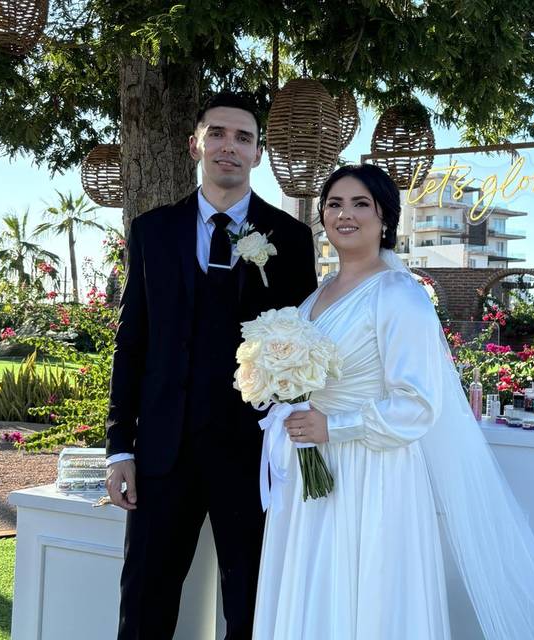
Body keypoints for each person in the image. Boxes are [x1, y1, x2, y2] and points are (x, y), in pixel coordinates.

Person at [253, 164, 534, 639]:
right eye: (335, 204)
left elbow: (418, 405)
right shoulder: (319, 292)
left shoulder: (399, 294)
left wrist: (333, 426)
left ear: (386, 218)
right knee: (318, 588)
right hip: (316, 467)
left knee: (369, 596)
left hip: (372, 470)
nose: (345, 214)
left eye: (361, 204)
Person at [104, 91, 318, 639]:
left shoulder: (290, 239)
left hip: (251, 454)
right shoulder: (153, 230)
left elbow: (303, 342)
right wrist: (120, 447)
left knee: (251, 602)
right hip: (161, 451)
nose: (229, 147)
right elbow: (133, 342)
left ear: (259, 153)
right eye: (218, 134)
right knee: (146, 598)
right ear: (195, 142)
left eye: (243, 138)